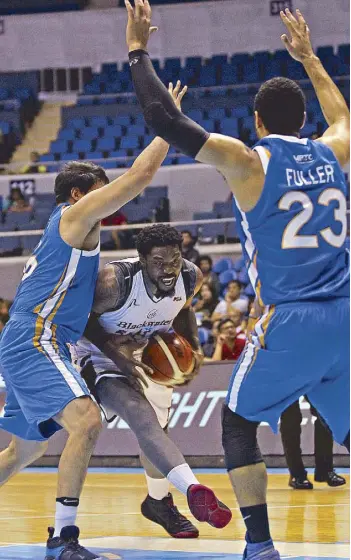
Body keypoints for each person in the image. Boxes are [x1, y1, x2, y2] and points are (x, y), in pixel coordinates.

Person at [125, 4, 350, 559]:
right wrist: (311, 59)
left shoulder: (249, 161)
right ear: (305, 121)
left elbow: (164, 119)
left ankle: (260, 545)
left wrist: (137, 52)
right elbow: (342, 117)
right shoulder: (333, 151)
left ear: (257, 121)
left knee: (238, 421)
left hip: (292, 318)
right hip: (346, 315)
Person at [0, 81, 188, 560]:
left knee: (23, 452)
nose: (111, 201)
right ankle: (64, 541)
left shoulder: (73, 234)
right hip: (37, 339)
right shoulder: (73, 216)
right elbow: (141, 175)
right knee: (85, 420)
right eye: (103, 192)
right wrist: (168, 125)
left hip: (37, 340)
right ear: (81, 194)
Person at [72, 224, 232, 538]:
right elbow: (78, 320)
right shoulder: (113, 283)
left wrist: (193, 352)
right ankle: (193, 488)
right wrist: (117, 356)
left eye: (174, 259)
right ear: (142, 259)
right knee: (140, 415)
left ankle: (158, 502)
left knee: (158, 432)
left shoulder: (190, 276)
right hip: (98, 353)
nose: (168, 268)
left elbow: (184, 310)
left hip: (147, 353)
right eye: (159, 262)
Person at [280, 399, 346, 489]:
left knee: (324, 412)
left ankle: (324, 470)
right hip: (286, 385)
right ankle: (297, 474)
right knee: (290, 417)